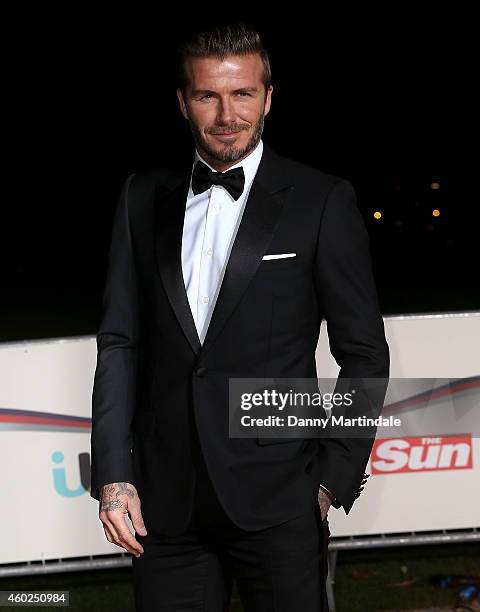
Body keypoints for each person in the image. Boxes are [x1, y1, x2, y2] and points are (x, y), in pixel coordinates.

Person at [90, 21, 390, 611]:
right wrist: (114, 476)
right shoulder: (141, 198)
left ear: (268, 97)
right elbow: (119, 342)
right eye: (208, 95)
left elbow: (364, 351)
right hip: (164, 507)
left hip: (281, 502)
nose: (227, 114)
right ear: (182, 102)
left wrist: (332, 477)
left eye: (243, 94)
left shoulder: (321, 200)